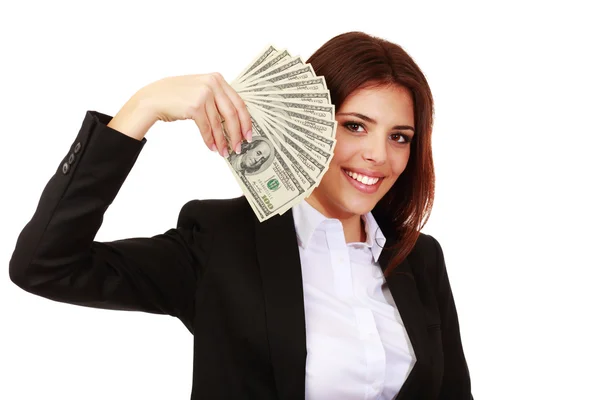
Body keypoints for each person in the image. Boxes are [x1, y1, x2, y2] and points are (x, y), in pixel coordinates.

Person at [8, 31, 473, 399]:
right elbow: (45, 266)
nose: (377, 155)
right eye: (355, 126)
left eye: (400, 137)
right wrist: (141, 108)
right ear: (308, 118)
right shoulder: (219, 242)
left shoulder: (418, 257)